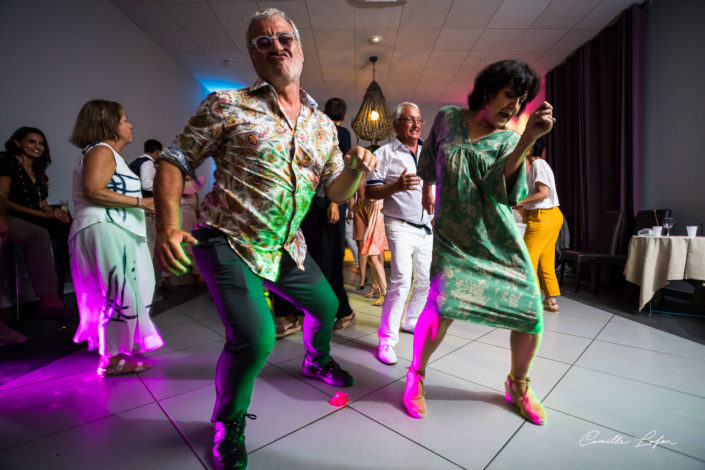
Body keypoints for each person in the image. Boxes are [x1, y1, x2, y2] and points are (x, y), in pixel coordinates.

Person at [153, 8, 378, 470]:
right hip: (227, 238)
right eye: (262, 42)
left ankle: (316, 361)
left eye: (283, 37)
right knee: (255, 340)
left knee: (328, 305)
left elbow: (334, 190)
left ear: (299, 46)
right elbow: (174, 160)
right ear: (254, 58)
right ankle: (227, 422)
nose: (275, 46)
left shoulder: (321, 126)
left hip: (286, 245)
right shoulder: (226, 104)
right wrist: (167, 225)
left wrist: (354, 169)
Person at [402, 59, 554, 427]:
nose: (514, 107)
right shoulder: (448, 118)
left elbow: (502, 191)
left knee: (530, 311)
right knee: (441, 309)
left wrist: (529, 138)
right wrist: (428, 188)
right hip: (454, 236)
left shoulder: (509, 138)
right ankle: (416, 374)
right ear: (488, 90)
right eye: (509, 96)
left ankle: (518, 385)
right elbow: (428, 160)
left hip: (498, 238)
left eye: (521, 101)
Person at [68, 99, 163, 376]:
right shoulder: (101, 150)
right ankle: (111, 359)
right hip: (105, 227)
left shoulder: (106, 153)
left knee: (121, 292)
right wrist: (141, 203)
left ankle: (118, 351)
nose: (130, 124)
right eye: (124, 120)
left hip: (109, 228)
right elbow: (93, 191)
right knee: (118, 294)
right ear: (110, 125)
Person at [365, 102, 433, 365]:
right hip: (398, 224)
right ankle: (386, 340)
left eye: (418, 120)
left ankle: (411, 320)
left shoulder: (430, 151)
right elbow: (370, 192)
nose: (415, 125)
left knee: (425, 281)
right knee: (402, 278)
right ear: (396, 124)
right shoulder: (384, 153)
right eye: (408, 120)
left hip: (427, 226)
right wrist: (395, 186)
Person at [0, 127, 72, 316]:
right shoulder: (7, 162)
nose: (37, 146)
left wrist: (52, 211)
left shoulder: (37, 168)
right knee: (41, 233)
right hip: (9, 214)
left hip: (34, 215)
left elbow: (41, 202)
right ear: (18, 142)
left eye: (40, 143)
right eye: (31, 141)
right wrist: (44, 215)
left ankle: (74, 270)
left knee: (68, 224)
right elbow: (3, 199)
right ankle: (50, 300)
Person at [517, 136, 563, 312]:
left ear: (530, 148)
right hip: (551, 216)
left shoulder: (537, 165)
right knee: (545, 261)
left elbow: (543, 193)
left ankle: (532, 302)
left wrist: (520, 202)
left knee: (527, 260)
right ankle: (551, 300)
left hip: (542, 217)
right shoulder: (540, 165)